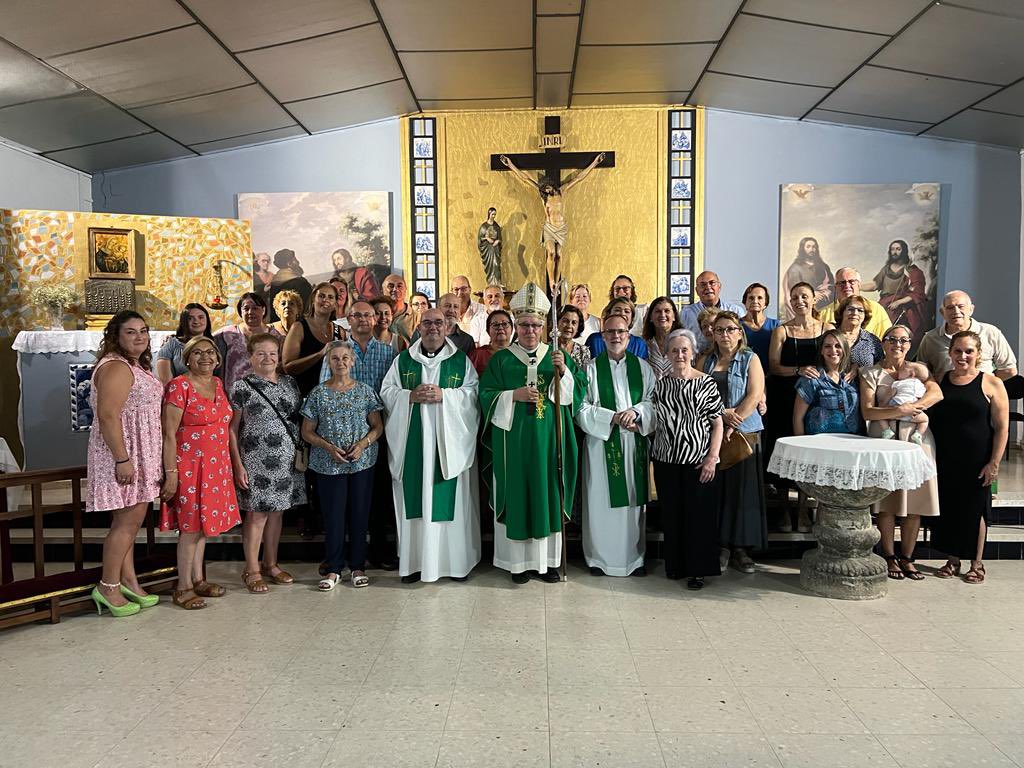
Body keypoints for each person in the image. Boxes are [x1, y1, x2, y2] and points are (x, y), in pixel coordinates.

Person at [479, 283, 586, 584]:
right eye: (524, 324)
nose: (530, 330)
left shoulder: (556, 355)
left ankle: (549, 563)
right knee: (517, 493)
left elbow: (575, 397)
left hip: (550, 441)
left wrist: (564, 372)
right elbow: (485, 394)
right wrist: (513, 395)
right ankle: (518, 565)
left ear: (543, 327)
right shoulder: (501, 359)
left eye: (536, 325)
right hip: (513, 442)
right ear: (516, 326)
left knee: (547, 493)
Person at [381, 308, 482, 583]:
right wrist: (409, 396)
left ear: (448, 326)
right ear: (419, 327)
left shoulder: (460, 361)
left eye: (439, 322)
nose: (433, 328)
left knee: (449, 502)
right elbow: (387, 394)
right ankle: (414, 564)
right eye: (427, 323)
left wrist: (446, 396)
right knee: (414, 502)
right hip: (413, 444)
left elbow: (473, 396)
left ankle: (455, 564)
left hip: (448, 446)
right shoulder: (403, 361)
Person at [87, 311, 164, 617]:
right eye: (131, 332)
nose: (139, 337)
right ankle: (107, 587)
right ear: (115, 336)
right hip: (125, 453)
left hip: (138, 451)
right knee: (126, 523)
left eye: (143, 331)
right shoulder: (116, 367)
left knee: (129, 524)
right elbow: (108, 416)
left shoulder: (132, 364)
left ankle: (127, 581)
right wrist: (122, 459)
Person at [159, 336, 241, 610]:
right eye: (197, 353)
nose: (204, 357)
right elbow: (169, 434)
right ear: (187, 358)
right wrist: (171, 472)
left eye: (210, 353)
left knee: (203, 527)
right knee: (190, 528)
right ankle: (182, 587)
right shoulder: (178, 386)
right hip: (189, 467)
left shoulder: (217, 383)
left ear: (218, 359)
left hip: (216, 466)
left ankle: (198, 579)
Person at [860, 324, 942, 581]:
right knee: (887, 502)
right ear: (883, 342)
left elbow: (936, 393)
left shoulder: (918, 370)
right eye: (892, 339)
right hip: (885, 439)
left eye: (904, 340)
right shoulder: (870, 373)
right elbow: (869, 412)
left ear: (910, 344)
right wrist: (901, 411)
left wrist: (914, 407)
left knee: (914, 502)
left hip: (916, 440)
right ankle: (888, 555)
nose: (898, 344)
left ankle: (907, 557)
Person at [577, 314, 655, 577]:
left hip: (633, 443)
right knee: (600, 501)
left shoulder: (643, 368)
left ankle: (633, 559)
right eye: (609, 331)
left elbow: (653, 401)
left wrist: (637, 413)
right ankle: (598, 559)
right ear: (602, 335)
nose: (615, 336)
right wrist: (609, 417)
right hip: (602, 444)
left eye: (620, 331)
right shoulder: (590, 369)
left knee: (631, 504)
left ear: (629, 335)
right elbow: (580, 407)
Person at [301, 341, 384, 590]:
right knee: (334, 517)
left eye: (345, 358)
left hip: (362, 462)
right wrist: (328, 447)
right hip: (328, 465)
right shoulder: (318, 393)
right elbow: (307, 431)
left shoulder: (365, 391)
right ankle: (334, 568)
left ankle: (358, 566)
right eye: (335, 358)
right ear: (329, 362)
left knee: (360, 514)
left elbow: (377, 426)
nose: (341, 362)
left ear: (353, 361)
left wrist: (362, 444)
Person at [228, 334, 306, 593]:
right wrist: (237, 464)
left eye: (273, 353)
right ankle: (251, 568)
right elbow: (232, 429)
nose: (268, 358)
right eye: (261, 353)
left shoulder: (289, 383)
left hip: (286, 460)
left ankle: (271, 564)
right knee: (257, 514)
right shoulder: (242, 387)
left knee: (278, 513)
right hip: (255, 460)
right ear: (250, 356)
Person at [929, 331, 1008, 584]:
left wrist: (994, 463)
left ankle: (977, 563)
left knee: (975, 511)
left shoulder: (991, 383)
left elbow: (1002, 427)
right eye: (958, 351)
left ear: (978, 354)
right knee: (951, 508)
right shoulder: (941, 379)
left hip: (977, 459)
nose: (963, 356)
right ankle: (953, 560)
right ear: (950, 353)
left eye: (968, 351)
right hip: (945, 458)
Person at [651, 329, 724, 590]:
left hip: (698, 461)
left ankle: (697, 570)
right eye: (674, 350)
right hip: (665, 460)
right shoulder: (659, 385)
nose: (679, 354)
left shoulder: (706, 383)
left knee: (698, 517)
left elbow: (718, 424)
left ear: (692, 352)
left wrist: (712, 458)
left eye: (684, 350)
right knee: (672, 515)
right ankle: (675, 564)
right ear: (667, 354)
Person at [700, 311, 767, 573]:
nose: (725, 334)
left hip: (743, 435)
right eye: (719, 330)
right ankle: (720, 546)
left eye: (730, 329)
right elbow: (698, 391)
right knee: (716, 492)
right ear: (712, 334)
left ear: (740, 333)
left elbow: (754, 394)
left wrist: (731, 421)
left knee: (741, 494)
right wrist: (720, 418)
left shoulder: (750, 359)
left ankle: (741, 549)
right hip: (709, 434)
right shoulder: (705, 360)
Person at [766, 282, 834, 530]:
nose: (799, 301)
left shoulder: (827, 328)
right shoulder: (782, 331)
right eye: (794, 297)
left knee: (810, 451)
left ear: (814, 298)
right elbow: (773, 366)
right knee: (786, 451)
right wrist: (798, 370)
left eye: (804, 296)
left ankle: (805, 509)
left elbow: (836, 359)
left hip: (816, 399)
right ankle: (785, 510)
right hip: (784, 396)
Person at [342, 301, 398, 570]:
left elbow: (394, 391)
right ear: (348, 319)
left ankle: (380, 550)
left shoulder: (388, 354)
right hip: (346, 435)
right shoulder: (338, 352)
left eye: (368, 315)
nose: (363, 319)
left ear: (376, 319)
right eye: (357, 315)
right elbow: (325, 389)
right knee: (348, 496)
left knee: (379, 495)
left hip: (380, 431)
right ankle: (347, 553)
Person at [499, 152, 605, 289]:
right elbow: (524, 178)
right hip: (549, 227)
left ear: (551, 184)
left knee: (559, 254)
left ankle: (557, 281)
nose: (545, 189)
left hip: (561, 228)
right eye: (543, 188)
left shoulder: (562, 191)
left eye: (547, 186)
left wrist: (595, 162)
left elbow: (579, 178)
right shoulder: (543, 196)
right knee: (551, 253)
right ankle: (551, 282)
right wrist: (510, 165)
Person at [916, 290, 1018, 380]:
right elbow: (920, 373)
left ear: (971, 309)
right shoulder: (930, 338)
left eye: (961, 306)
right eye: (950, 307)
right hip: (945, 398)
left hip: (982, 398)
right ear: (942, 312)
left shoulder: (990, 332)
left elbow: (1008, 370)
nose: (956, 311)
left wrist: (985, 386)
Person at [793, 330, 861, 436]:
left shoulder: (853, 378)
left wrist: (855, 367)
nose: (833, 350)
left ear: (845, 349)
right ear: (821, 351)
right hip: (819, 443)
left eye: (838, 346)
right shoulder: (811, 379)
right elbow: (797, 418)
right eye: (827, 346)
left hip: (851, 441)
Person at [282, 282, 343, 398]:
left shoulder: (340, 331)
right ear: (313, 301)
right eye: (321, 296)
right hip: (303, 398)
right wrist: (320, 354)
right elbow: (288, 367)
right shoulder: (299, 327)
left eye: (330, 297)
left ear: (335, 304)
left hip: (332, 399)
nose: (325, 300)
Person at [213, 292, 281, 394]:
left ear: (263, 310)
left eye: (255, 308)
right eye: (246, 308)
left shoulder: (276, 336)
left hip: (266, 396)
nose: (250, 312)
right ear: (240, 311)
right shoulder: (226, 334)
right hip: (233, 396)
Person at [861, 240, 927, 342]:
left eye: (898, 249)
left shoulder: (912, 271)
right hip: (885, 303)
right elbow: (875, 285)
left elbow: (917, 293)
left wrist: (898, 302)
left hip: (903, 306)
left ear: (903, 251)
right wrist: (857, 286)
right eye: (892, 249)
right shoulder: (886, 269)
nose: (895, 252)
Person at [679, 271, 746, 349]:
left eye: (712, 283)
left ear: (719, 286)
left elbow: (743, 340)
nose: (708, 287)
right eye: (703, 284)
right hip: (698, 359)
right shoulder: (686, 313)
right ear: (697, 290)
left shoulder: (736, 311)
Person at [819, 267, 891, 338]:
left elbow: (888, 339)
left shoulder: (876, 309)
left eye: (851, 282)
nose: (847, 286)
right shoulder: (822, 314)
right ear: (835, 287)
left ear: (859, 285)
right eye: (842, 283)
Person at [156, 303, 213, 384]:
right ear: (184, 322)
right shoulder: (172, 344)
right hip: (181, 394)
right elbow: (167, 383)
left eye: (201, 317)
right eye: (190, 318)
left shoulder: (215, 343)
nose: (196, 321)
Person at [875, 361, 931, 443]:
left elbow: (891, 394)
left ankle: (887, 430)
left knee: (880, 415)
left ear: (911, 374)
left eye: (902, 369)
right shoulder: (921, 386)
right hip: (911, 412)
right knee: (925, 420)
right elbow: (920, 397)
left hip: (895, 408)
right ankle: (918, 434)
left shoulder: (897, 383)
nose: (898, 371)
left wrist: (883, 404)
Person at [782, 237, 833, 318]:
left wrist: (825, 293)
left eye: (814, 247)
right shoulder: (795, 269)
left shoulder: (823, 266)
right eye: (808, 247)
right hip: (805, 307)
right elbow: (796, 290)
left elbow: (831, 285)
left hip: (825, 308)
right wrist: (813, 294)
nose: (811, 249)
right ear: (802, 249)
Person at [835, 294, 884, 371]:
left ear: (865, 315)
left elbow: (880, 369)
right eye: (850, 309)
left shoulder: (873, 341)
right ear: (842, 312)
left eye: (860, 310)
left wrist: (860, 371)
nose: (855, 313)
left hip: (862, 382)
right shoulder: (829, 336)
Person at [739, 283, 779, 371]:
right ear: (744, 303)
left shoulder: (776, 326)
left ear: (765, 303)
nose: (755, 301)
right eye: (751, 298)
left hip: (772, 376)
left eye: (760, 298)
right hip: (744, 375)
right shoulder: (736, 325)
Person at [642, 296, 683, 380]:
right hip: (651, 392)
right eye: (658, 311)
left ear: (674, 316)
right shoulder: (644, 344)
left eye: (667, 311)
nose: (662, 315)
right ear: (651, 317)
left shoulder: (684, 344)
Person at [268, 248, 312, 315]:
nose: (298, 262)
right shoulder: (300, 282)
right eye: (295, 259)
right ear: (289, 264)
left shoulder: (274, 283)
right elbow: (309, 308)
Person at [468, 309, 513, 375]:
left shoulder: (520, 355)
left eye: (504, 324)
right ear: (488, 331)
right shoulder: (477, 356)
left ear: (512, 329)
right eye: (495, 325)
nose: (500, 327)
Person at [557, 304, 592, 371]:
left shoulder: (583, 351)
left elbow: (584, 379)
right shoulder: (546, 349)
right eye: (565, 321)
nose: (569, 326)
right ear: (557, 323)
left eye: (574, 323)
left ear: (578, 328)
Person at [477, 207, 502, 287]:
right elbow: (480, 239)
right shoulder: (483, 227)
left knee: (496, 265)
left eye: (495, 214)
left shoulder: (496, 226)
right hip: (487, 250)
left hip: (495, 249)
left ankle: (497, 283)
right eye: (492, 214)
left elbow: (500, 238)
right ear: (489, 214)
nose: (494, 216)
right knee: (490, 266)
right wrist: (487, 239)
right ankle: (491, 283)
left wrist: (498, 241)